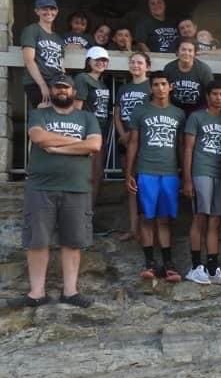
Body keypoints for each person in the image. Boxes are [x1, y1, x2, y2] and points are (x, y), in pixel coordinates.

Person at [13, 74, 102, 309]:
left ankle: (70, 292)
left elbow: (94, 145)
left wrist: (58, 148)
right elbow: (38, 137)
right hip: (41, 186)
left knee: (72, 242)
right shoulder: (39, 114)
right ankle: (36, 293)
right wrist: (75, 142)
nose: (61, 91)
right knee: (37, 241)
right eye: (57, 87)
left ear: (73, 92)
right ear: (51, 91)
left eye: (66, 88)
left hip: (77, 187)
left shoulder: (87, 117)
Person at [125, 71, 185, 282]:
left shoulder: (178, 114)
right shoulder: (141, 111)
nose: (160, 88)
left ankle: (168, 263)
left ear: (170, 87)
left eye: (164, 84)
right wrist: (129, 172)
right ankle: (150, 262)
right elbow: (133, 142)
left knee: (165, 220)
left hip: (169, 172)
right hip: (146, 170)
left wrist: (184, 173)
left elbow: (180, 145)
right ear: (151, 88)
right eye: (156, 84)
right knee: (147, 218)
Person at [182, 82, 221, 285]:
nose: (218, 97)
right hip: (201, 171)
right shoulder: (197, 117)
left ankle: (212, 268)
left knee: (216, 221)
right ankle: (196, 267)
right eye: (214, 94)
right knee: (200, 218)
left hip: (220, 174)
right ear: (208, 96)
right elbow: (188, 148)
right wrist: (187, 178)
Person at [113, 52, 151, 241]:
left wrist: (134, 135)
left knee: (144, 184)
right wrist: (122, 135)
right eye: (133, 62)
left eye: (140, 62)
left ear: (147, 66)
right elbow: (117, 113)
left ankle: (145, 228)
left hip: (143, 140)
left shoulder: (151, 86)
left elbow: (152, 113)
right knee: (130, 185)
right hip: (125, 141)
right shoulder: (123, 88)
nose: (135, 65)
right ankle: (133, 228)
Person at [74, 46, 112, 204]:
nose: (101, 63)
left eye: (104, 60)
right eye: (97, 59)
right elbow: (77, 107)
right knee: (86, 175)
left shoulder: (103, 84)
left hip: (100, 133)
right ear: (89, 61)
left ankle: (89, 214)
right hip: (87, 134)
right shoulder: (82, 78)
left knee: (97, 175)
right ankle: (81, 215)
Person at [21, 0, 65, 110]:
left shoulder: (58, 38)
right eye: (44, 9)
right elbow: (29, 60)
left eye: (52, 9)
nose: (49, 12)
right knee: (45, 115)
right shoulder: (32, 30)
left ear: (57, 11)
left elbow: (61, 65)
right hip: (36, 83)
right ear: (37, 11)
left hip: (55, 83)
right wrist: (43, 85)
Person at [164, 38, 214, 116]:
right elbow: (164, 92)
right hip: (174, 109)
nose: (186, 53)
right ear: (177, 52)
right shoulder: (169, 68)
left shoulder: (204, 70)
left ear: (195, 53)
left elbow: (210, 93)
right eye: (183, 50)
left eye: (190, 50)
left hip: (198, 109)